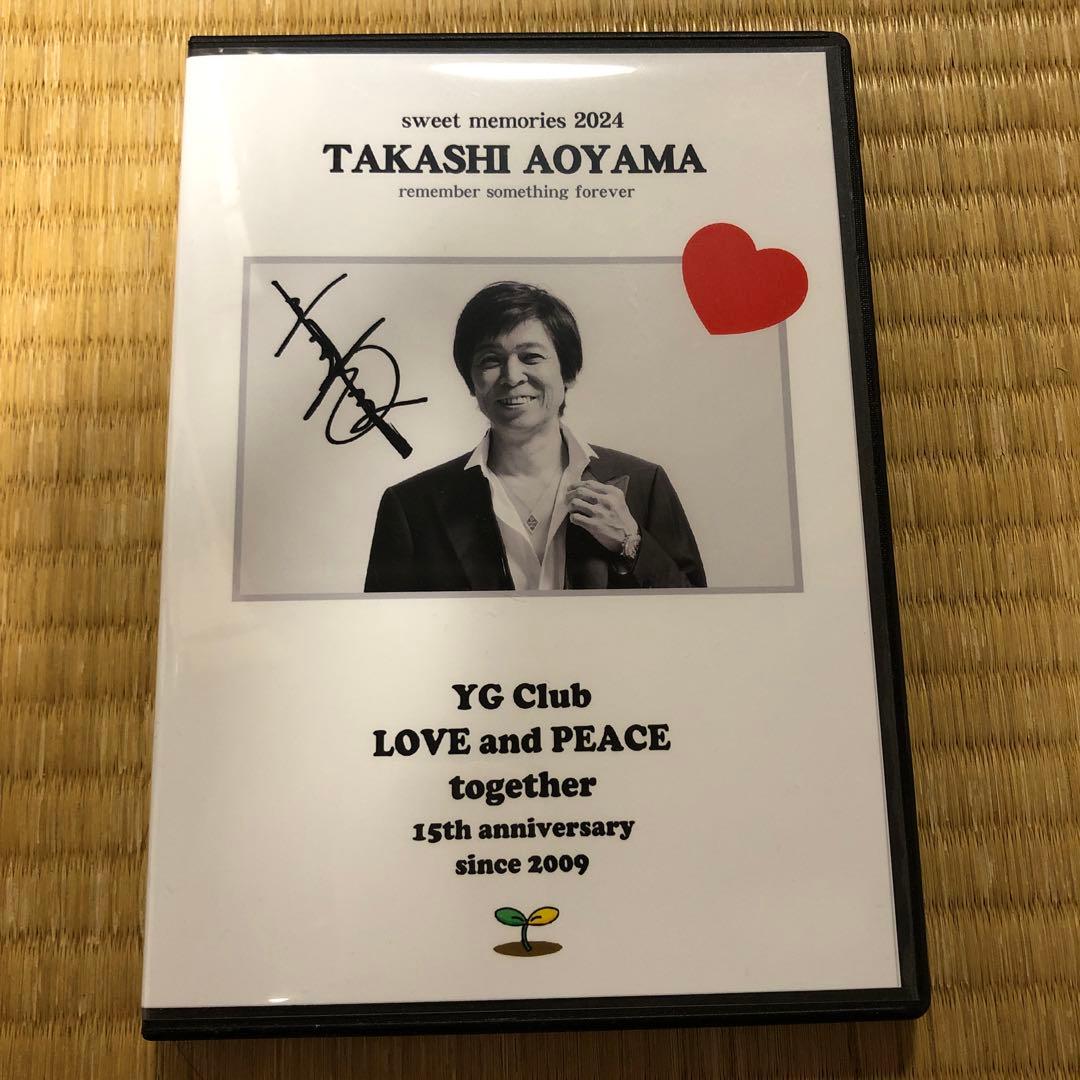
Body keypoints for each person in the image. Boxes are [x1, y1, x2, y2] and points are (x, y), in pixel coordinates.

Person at [364, 281, 706, 592]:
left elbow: (698, 618)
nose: (512, 376)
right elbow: (383, 631)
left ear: (568, 372)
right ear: (471, 381)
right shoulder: (411, 507)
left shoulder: (646, 483)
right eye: (490, 360)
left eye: (531, 357)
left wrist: (631, 543)